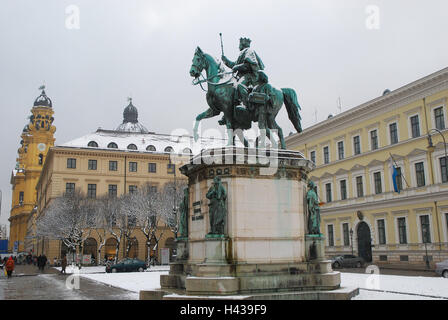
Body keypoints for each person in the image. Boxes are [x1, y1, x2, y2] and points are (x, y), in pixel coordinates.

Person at [221, 37, 265, 108]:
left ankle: (245, 104)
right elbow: (234, 65)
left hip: (249, 76)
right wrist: (225, 60)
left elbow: (248, 65)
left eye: (240, 44)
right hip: (242, 76)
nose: (238, 46)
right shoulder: (242, 53)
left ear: (243, 44)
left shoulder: (248, 51)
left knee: (239, 85)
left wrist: (237, 67)